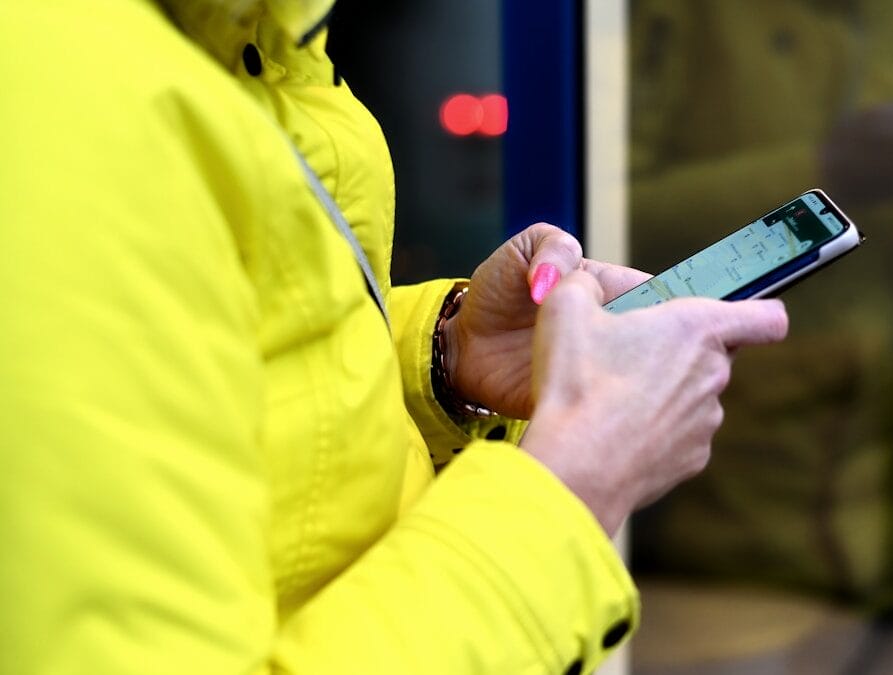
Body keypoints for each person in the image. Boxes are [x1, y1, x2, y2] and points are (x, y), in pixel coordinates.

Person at [0, 1, 788, 673]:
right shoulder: (60, 97)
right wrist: (571, 489)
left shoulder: (243, 42)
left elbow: (216, 377)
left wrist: (443, 361)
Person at [629, 0, 893, 610]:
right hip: (715, 507)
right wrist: (824, 177)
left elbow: (887, 267)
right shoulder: (679, 15)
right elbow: (604, 223)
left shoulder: (892, 13)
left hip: (869, 492)